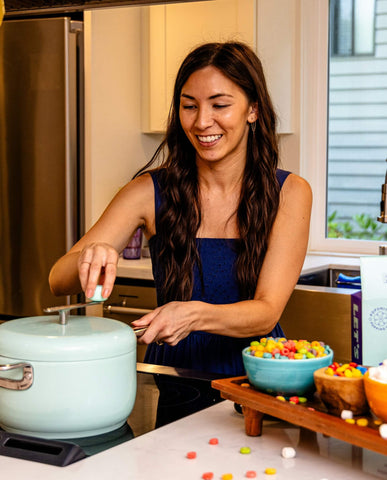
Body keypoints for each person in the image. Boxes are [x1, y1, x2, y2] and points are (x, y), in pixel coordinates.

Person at [49, 42, 312, 422]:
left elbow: (265, 314)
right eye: (189, 106)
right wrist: (95, 254)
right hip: (176, 379)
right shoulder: (147, 191)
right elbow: (58, 278)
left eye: (219, 105)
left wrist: (190, 315)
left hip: (259, 386)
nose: (202, 121)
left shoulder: (290, 193)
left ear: (253, 109)